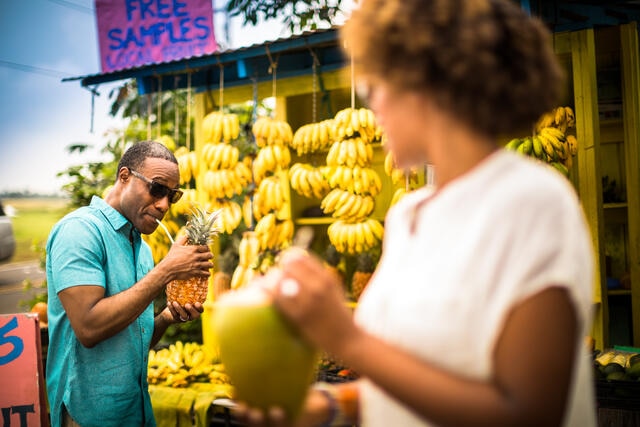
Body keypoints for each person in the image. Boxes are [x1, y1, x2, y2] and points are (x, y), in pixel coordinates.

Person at [238, 0, 597, 426]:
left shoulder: (531, 202)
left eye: (377, 87)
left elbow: (530, 412)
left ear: (429, 84)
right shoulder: (408, 215)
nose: (374, 109)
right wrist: (332, 406)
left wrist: (344, 338)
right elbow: (412, 373)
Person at [46, 141, 214, 427]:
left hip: (136, 412)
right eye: (157, 189)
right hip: (88, 416)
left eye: (172, 196)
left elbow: (131, 341)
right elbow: (89, 327)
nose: (163, 205)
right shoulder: (80, 231)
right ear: (124, 177)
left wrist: (164, 318)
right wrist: (166, 271)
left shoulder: (142, 249)